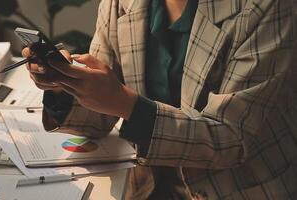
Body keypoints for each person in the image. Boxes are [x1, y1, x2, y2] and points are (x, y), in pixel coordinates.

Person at [22, 0, 297, 199]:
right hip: (148, 186)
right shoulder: (120, 4)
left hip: (240, 186)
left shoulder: (265, 7)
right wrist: (65, 86)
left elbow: (229, 139)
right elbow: (101, 117)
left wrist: (127, 105)